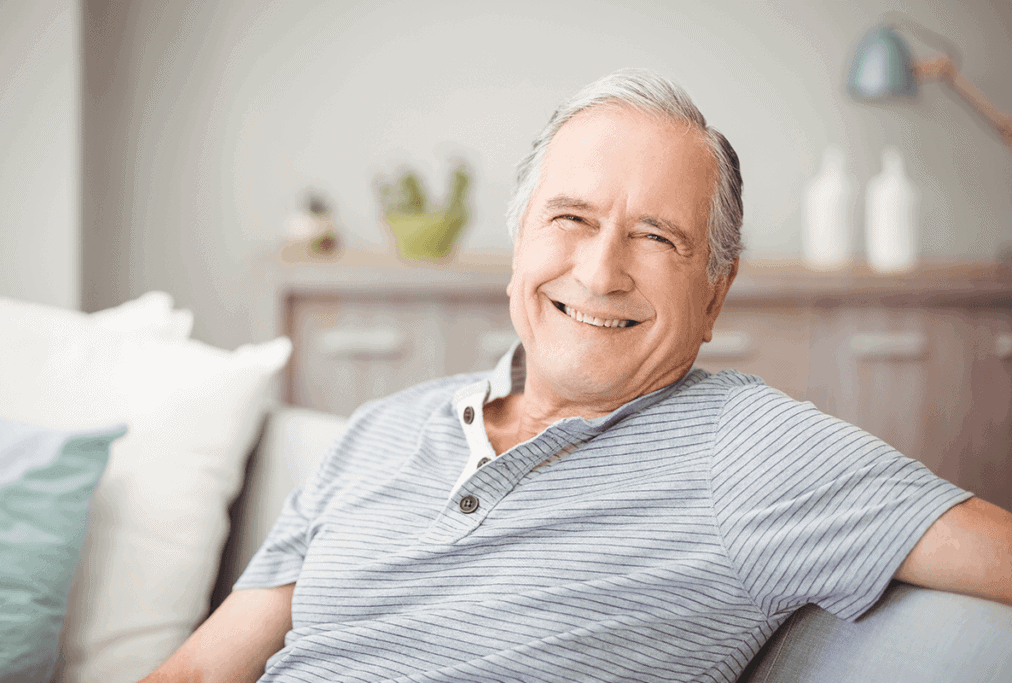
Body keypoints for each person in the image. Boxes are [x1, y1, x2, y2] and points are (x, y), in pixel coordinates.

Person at [142, 69, 1012, 683]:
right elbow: (200, 670)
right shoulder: (382, 427)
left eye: (657, 237)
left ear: (715, 294)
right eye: (571, 218)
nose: (600, 272)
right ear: (519, 243)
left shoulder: (749, 450)